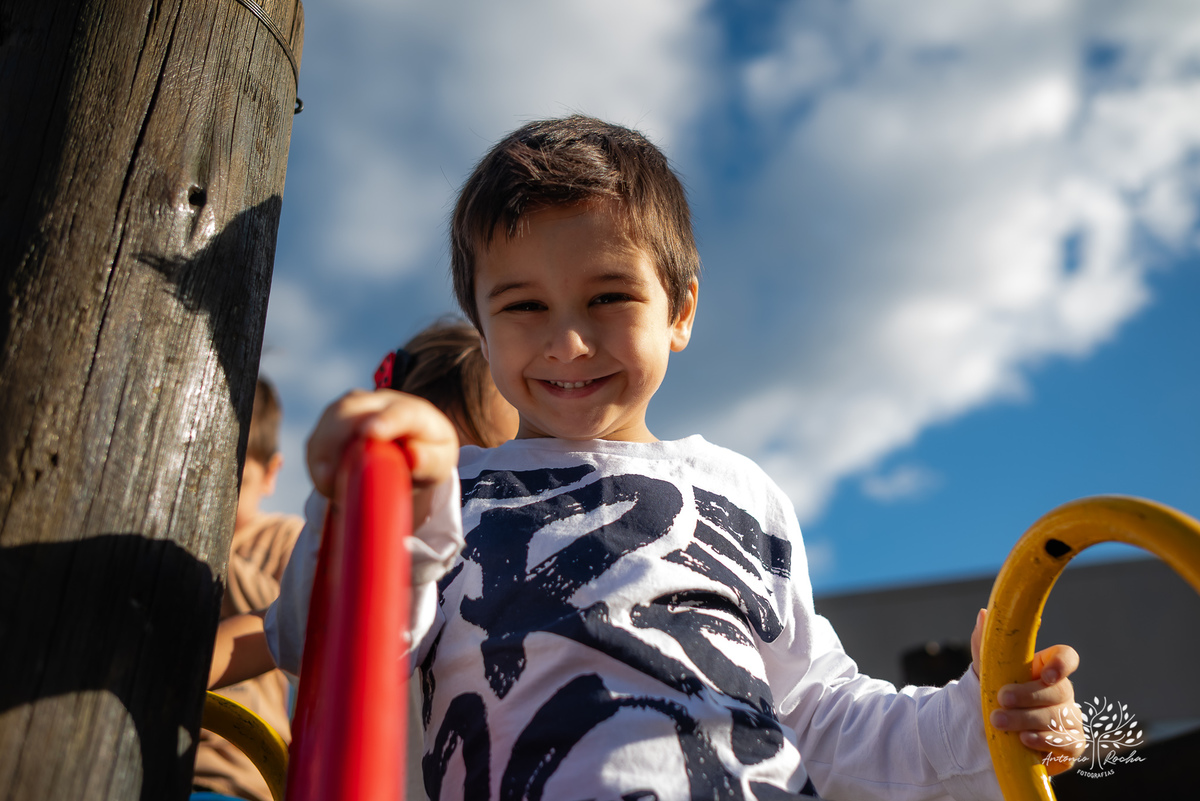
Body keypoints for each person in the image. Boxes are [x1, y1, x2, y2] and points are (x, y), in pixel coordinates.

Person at [267, 116, 1084, 801]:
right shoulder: (453, 495)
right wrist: (356, 500)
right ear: (481, 328)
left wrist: (975, 715)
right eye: (523, 306)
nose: (569, 341)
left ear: (680, 308)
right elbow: (327, 647)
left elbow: (821, 711)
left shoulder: (740, 492)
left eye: (609, 296)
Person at [207, 320, 518, 690]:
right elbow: (286, 629)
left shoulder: (513, 569)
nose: (444, 503)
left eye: (475, 477)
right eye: (420, 477)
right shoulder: (364, 559)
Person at [193, 378, 303, 801]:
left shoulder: (284, 538)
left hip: (234, 766)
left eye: (231, 475)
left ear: (270, 473)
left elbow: (290, 614)